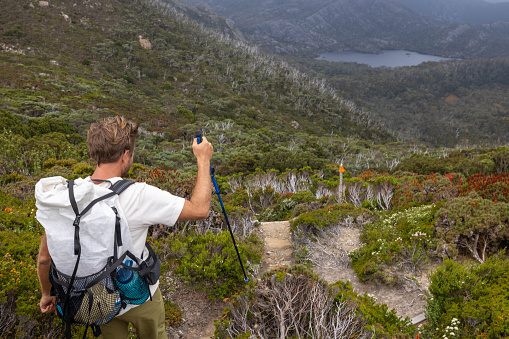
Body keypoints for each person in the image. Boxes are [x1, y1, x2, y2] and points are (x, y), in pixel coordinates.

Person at [37, 116, 213, 338]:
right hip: (138, 297)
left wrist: (46, 294)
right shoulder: (139, 195)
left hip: (97, 301)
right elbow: (199, 209)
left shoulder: (65, 198)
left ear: (94, 153)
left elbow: (45, 259)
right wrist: (203, 160)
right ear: (126, 155)